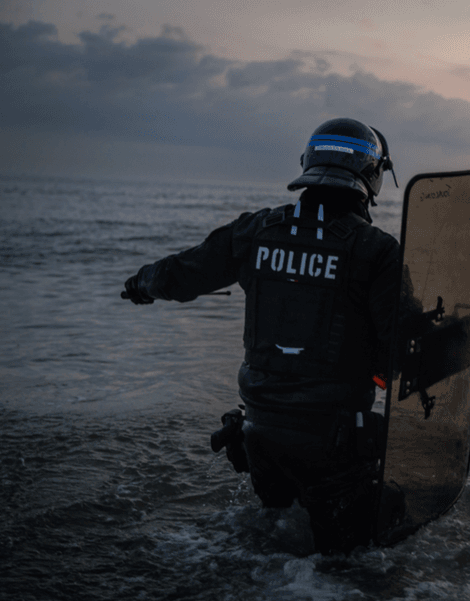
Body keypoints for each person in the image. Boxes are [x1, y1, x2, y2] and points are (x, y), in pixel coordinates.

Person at [122, 118, 402, 554]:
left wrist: (141, 284)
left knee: (272, 551)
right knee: (346, 571)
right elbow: (403, 348)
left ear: (308, 162)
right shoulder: (376, 250)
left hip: (259, 437)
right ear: (373, 176)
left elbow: (183, 274)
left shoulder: (255, 231)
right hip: (335, 444)